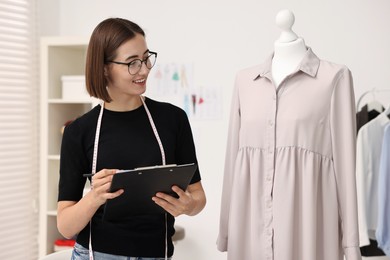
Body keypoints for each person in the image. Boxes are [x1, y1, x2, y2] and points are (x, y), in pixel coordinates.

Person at [217, 10, 362, 260]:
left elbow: (346, 169)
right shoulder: (245, 81)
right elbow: (233, 159)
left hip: (309, 226)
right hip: (250, 229)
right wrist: (226, 230)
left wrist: (351, 244)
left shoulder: (334, 77)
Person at [57, 17, 206, 260]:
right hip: (97, 255)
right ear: (104, 67)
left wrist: (188, 206)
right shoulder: (79, 132)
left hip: (156, 254)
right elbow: (65, 226)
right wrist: (94, 197)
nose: (144, 69)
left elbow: (198, 197)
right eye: (132, 63)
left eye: (146, 58)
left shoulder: (173, 119)